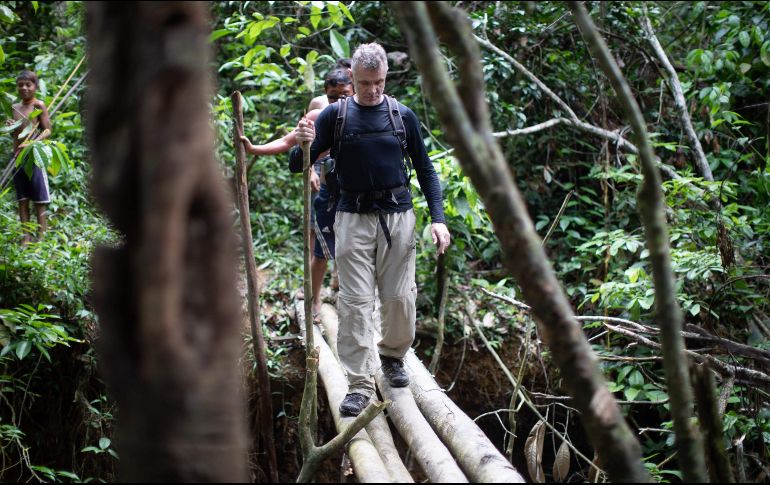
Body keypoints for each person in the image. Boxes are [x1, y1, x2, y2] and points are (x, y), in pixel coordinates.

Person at [292, 43, 451, 417]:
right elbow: (297, 165)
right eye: (365, 83)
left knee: (399, 298)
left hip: (398, 215)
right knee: (356, 301)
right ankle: (360, 383)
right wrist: (303, 143)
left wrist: (438, 218)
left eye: (378, 82)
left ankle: (393, 356)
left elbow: (426, 170)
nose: (372, 90)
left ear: (386, 78)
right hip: (352, 217)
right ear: (353, 79)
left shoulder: (402, 116)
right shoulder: (335, 116)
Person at [240, 68, 354, 320]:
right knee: (321, 252)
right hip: (329, 194)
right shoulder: (318, 115)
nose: (340, 101)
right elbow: (286, 142)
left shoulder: (366, 114)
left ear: (354, 90)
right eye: (334, 96)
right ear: (326, 96)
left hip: (356, 198)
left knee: (353, 252)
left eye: (345, 94)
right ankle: (313, 303)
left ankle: (350, 302)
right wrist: (254, 148)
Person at [7, 70, 51, 244]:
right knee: (22, 199)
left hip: (35, 157)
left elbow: (48, 130)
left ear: (35, 87)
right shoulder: (15, 108)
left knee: (39, 199)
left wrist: (33, 143)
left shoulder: (39, 105)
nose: (24, 88)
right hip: (18, 157)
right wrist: (11, 127)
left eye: (28, 84)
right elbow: (15, 135)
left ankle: (42, 236)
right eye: (20, 85)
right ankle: (27, 236)